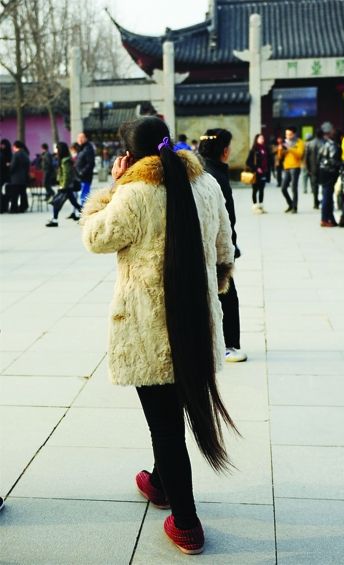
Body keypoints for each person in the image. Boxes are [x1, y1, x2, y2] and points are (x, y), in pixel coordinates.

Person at [80, 117, 238, 555]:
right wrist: (213, 288)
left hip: (150, 329)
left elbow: (95, 237)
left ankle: (185, 522)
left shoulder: (133, 193)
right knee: (175, 414)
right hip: (197, 322)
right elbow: (225, 250)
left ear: (130, 156)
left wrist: (110, 188)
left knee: (166, 425)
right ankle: (160, 479)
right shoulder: (206, 184)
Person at [199, 128, 247, 363]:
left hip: (207, 244)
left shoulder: (202, 171)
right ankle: (229, 344)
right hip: (217, 246)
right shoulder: (215, 175)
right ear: (225, 151)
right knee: (226, 293)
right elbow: (226, 219)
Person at [46, 142, 82, 227]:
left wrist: (63, 185)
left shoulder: (65, 161)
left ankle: (54, 220)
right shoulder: (65, 159)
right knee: (74, 203)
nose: (56, 151)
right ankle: (88, 216)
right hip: (67, 187)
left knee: (56, 202)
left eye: (57, 149)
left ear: (61, 150)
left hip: (65, 187)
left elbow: (66, 174)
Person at [317, 122, 342, 227]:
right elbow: (333, 161)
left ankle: (330, 219)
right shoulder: (334, 146)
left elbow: (319, 158)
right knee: (327, 197)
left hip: (323, 172)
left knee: (327, 196)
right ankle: (324, 219)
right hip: (329, 173)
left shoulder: (325, 143)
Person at [281, 127, 305, 213]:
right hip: (287, 167)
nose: (287, 136)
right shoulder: (285, 143)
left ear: (294, 134)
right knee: (283, 188)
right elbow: (281, 156)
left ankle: (295, 207)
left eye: (289, 134)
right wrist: (281, 150)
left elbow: (300, 154)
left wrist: (290, 148)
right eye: (286, 134)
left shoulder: (300, 142)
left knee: (294, 188)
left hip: (295, 167)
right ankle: (290, 204)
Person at [246, 133, 269, 214]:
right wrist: (256, 168)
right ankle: (255, 206)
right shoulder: (254, 150)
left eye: (263, 138)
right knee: (255, 190)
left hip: (263, 173)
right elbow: (248, 162)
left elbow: (268, 160)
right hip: (256, 174)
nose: (262, 139)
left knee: (262, 190)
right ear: (256, 139)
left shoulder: (265, 149)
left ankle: (261, 206)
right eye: (260, 138)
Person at [7, 140, 30, 213]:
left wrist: (9, 166)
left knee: (15, 194)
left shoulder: (16, 155)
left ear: (15, 146)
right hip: (23, 177)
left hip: (16, 178)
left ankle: (14, 208)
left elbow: (13, 166)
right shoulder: (25, 154)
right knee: (23, 193)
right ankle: (24, 206)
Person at [305, 129, 324, 209]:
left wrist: (308, 168)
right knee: (324, 186)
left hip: (313, 168)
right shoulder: (324, 143)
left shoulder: (310, 144)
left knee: (314, 186)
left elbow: (306, 157)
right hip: (322, 168)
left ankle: (315, 203)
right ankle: (323, 201)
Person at [75, 132, 95, 205]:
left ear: (86, 138)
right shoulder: (81, 148)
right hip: (79, 177)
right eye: (78, 138)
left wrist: (82, 172)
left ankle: (84, 214)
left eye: (82, 137)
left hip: (85, 177)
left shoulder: (88, 148)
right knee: (81, 196)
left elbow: (90, 163)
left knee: (84, 196)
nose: (79, 139)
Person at [0, 138, 12, 212]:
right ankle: (4, 207)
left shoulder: (2, 153)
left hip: (3, 176)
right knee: (5, 193)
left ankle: (2, 207)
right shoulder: (9, 153)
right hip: (7, 177)